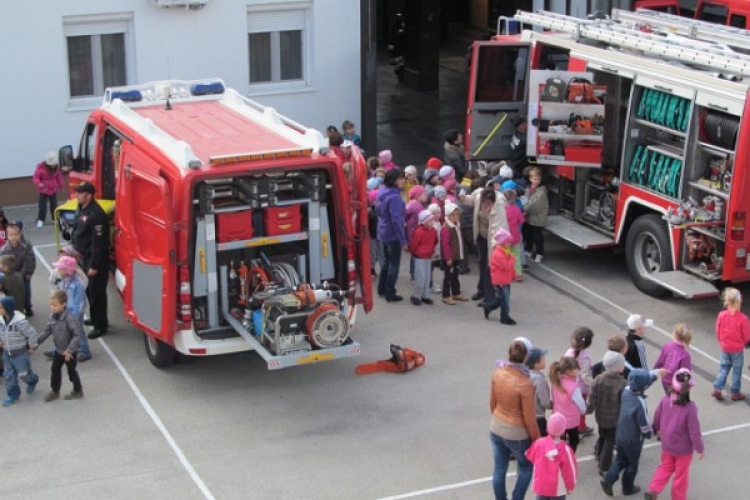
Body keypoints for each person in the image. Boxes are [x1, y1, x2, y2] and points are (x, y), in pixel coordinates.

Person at [489, 340, 540, 500]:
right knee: (526, 467)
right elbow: (529, 417)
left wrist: (497, 418)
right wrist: (536, 439)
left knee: (499, 468)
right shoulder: (525, 384)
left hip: (496, 426)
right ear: (525, 358)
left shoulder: (498, 373)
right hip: (516, 432)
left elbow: (492, 402)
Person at [644, 368, 704, 500]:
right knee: (681, 476)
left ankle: (653, 489)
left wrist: (654, 429)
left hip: (667, 445)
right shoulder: (691, 409)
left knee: (665, 467)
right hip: (684, 450)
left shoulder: (665, 400)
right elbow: (694, 432)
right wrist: (700, 448)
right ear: (689, 388)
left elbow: (657, 417)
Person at [600, 368, 658, 497]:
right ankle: (628, 487)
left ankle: (608, 480)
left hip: (621, 434)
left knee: (620, 458)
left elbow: (642, 384)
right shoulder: (640, 403)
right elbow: (644, 425)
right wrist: (650, 433)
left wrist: (655, 376)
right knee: (632, 465)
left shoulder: (626, 392)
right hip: (633, 440)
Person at [71, 181, 110, 339]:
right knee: (88, 289)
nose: (77, 195)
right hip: (84, 256)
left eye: (80, 193)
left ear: (88, 195)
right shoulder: (82, 209)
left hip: (95, 261)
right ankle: (95, 318)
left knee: (96, 293)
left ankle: (100, 325)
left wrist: (94, 265)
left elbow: (98, 244)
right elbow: (78, 229)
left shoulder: (96, 215)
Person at [37, 290, 85, 402]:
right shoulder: (53, 317)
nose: (52, 307)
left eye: (55, 305)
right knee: (55, 369)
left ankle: (78, 390)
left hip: (69, 352)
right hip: (59, 350)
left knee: (71, 371)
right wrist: (35, 343)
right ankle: (55, 391)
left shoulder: (70, 318)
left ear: (63, 304)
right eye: (51, 305)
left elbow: (77, 335)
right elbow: (46, 331)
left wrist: (69, 350)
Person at [588, 351, 628, 476]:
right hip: (614, 418)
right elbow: (624, 401)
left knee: (602, 435)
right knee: (610, 441)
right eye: (622, 364)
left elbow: (592, 397)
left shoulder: (598, 379)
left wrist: (589, 409)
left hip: (600, 415)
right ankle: (604, 466)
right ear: (616, 367)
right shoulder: (622, 383)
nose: (624, 366)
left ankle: (599, 453)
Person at [466, 186, 509, 305]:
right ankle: (482, 290)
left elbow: (498, 229)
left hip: (493, 240)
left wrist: (495, 246)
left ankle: (489, 297)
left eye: (488, 205)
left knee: (489, 267)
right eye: (484, 204)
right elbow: (471, 199)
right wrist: (464, 198)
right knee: (481, 262)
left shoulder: (499, 206)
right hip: (482, 235)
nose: (486, 207)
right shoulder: (479, 196)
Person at [525, 412, 578, 500]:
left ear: (548, 428)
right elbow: (570, 472)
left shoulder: (538, 443)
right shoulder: (566, 450)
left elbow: (530, 456)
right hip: (558, 490)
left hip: (541, 485)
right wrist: (570, 487)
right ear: (563, 431)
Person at [47, 256, 91, 362]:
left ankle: (85, 351)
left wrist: (73, 318)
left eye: (61, 268)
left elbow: (79, 304)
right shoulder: (62, 279)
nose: (58, 270)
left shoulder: (78, 285)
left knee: (78, 331)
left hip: (75, 313)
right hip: (65, 310)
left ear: (68, 270)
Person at [712, 287, 750, 401]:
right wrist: (745, 343)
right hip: (737, 349)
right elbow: (747, 335)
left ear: (727, 301)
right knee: (737, 371)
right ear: (739, 302)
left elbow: (717, 330)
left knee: (723, 368)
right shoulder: (743, 319)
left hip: (725, 347)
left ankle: (717, 388)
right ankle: (735, 392)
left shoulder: (721, 315)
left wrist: (721, 341)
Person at [0, 296, 39, 406]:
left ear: (7, 308)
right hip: (6, 354)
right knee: (9, 376)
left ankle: (32, 380)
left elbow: (31, 333)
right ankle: (13, 395)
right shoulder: (1, 321)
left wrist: (33, 346)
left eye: (1, 307)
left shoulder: (20, 323)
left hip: (20, 354)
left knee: (24, 374)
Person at [376, 169, 407, 303]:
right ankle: (390, 292)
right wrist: (403, 240)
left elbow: (377, 209)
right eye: (401, 178)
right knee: (393, 264)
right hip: (392, 234)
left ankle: (381, 289)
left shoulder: (382, 191)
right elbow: (397, 220)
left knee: (385, 262)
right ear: (395, 180)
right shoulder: (395, 197)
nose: (403, 181)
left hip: (382, 230)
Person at [549, 356, 586, 451]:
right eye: (577, 368)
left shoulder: (556, 382)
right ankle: (569, 458)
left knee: (560, 441)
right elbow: (581, 405)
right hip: (571, 420)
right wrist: (584, 410)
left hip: (558, 417)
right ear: (569, 371)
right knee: (574, 439)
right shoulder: (573, 387)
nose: (579, 369)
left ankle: (560, 457)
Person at [0, 221, 36, 316]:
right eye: (11, 235)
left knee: (26, 292)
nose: (14, 237)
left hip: (23, 276)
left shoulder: (24, 247)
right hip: (9, 277)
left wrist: (25, 273)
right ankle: (12, 311)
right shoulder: (4, 250)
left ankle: (28, 307)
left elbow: (27, 261)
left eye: (16, 234)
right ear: (7, 236)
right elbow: (2, 265)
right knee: (10, 294)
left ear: (20, 235)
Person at [565, 327, 595, 436]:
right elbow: (585, 376)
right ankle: (581, 427)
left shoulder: (569, 352)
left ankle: (570, 427)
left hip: (568, 385)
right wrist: (595, 382)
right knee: (581, 408)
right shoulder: (585, 357)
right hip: (581, 389)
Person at [483, 228, 516, 324]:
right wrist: (512, 259)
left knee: (501, 298)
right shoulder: (498, 253)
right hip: (500, 281)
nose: (510, 244)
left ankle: (488, 306)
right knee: (505, 300)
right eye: (508, 242)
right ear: (503, 242)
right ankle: (504, 317)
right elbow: (506, 266)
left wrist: (512, 275)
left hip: (504, 279)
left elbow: (509, 268)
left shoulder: (505, 251)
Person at [439, 203, 468, 305]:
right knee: (448, 276)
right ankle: (445, 295)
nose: (456, 217)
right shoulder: (446, 228)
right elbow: (445, 245)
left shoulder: (457, 225)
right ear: (447, 215)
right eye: (453, 215)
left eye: (457, 215)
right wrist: (448, 258)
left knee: (455, 275)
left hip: (456, 255)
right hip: (450, 257)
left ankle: (456, 292)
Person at [409, 210, 438, 306]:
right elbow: (413, 244)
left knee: (427, 278)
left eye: (432, 220)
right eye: (430, 220)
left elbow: (435, 241)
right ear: (424, 221)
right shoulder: (419, 232)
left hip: (428, 257)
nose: (432, 222)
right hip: (419, 257)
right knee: (420, 278)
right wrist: (414, 253)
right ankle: (416, 296)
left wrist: (432, 251)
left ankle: (426, 296)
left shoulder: (433, 230)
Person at [654, 323, 692, 395]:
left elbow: (659, 362)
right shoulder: (685, 355)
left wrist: (654, 372)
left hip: (665, 380)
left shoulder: (667, 346)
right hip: (676, 385)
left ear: (675, 335)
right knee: (675, 402)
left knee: (668, 397)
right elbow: (685, 374)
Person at [32, 151, 65, 229]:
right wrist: (38, 183)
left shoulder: (56, 169)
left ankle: (55, 219)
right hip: (43, 190)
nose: (53, 165)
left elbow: (59, 177)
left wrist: (61, 185)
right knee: (42, 207)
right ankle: (41, 220)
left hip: (53, 190)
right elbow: (35, 177)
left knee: (54, 206)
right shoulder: (41, 169)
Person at [523, 166, 548, 263]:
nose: (536, 181)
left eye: (538, 179)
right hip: (529, 218)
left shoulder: (541, 192)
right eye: (534, 179)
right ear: (530, 179)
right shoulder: (528, 188)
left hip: (537, 218)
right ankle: (528, 250)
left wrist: (525, 209)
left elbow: (535, 206)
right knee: (528, 235)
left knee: (537, 237)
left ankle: (539, 253)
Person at [526, 347, 551, 435]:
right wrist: (554, 405)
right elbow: (545, 402)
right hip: (538, 417)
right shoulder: (539, 379)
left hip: (527, 414)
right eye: (543, 359)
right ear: (536, 364)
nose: (545, 361)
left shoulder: (525, 373)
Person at [502, 185, 525, 281]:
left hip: (504, 235)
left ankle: (507, 273)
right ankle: (518, 274)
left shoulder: (503, 209)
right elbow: (521, 220)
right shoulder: (516, 209)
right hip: (515, 234)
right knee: (516, 256)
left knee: (505, 255)